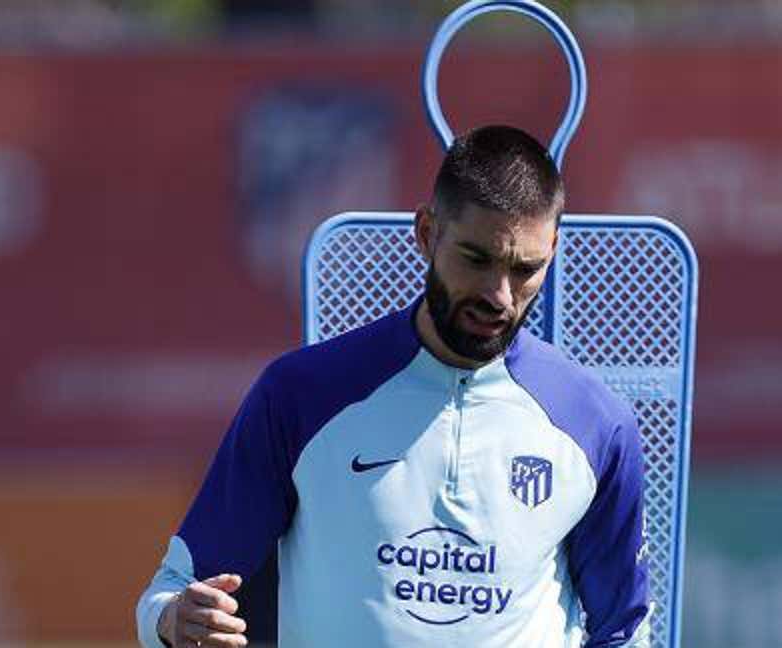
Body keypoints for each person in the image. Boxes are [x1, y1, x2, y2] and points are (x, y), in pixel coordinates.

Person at [136, 125, 651, 648]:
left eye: (525, 269)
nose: (499, 295)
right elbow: (172, 593)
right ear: (427, 233)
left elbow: (625, 631)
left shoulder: (597, 423)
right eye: (476, 259)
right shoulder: (300, 393)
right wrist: (175, 620)